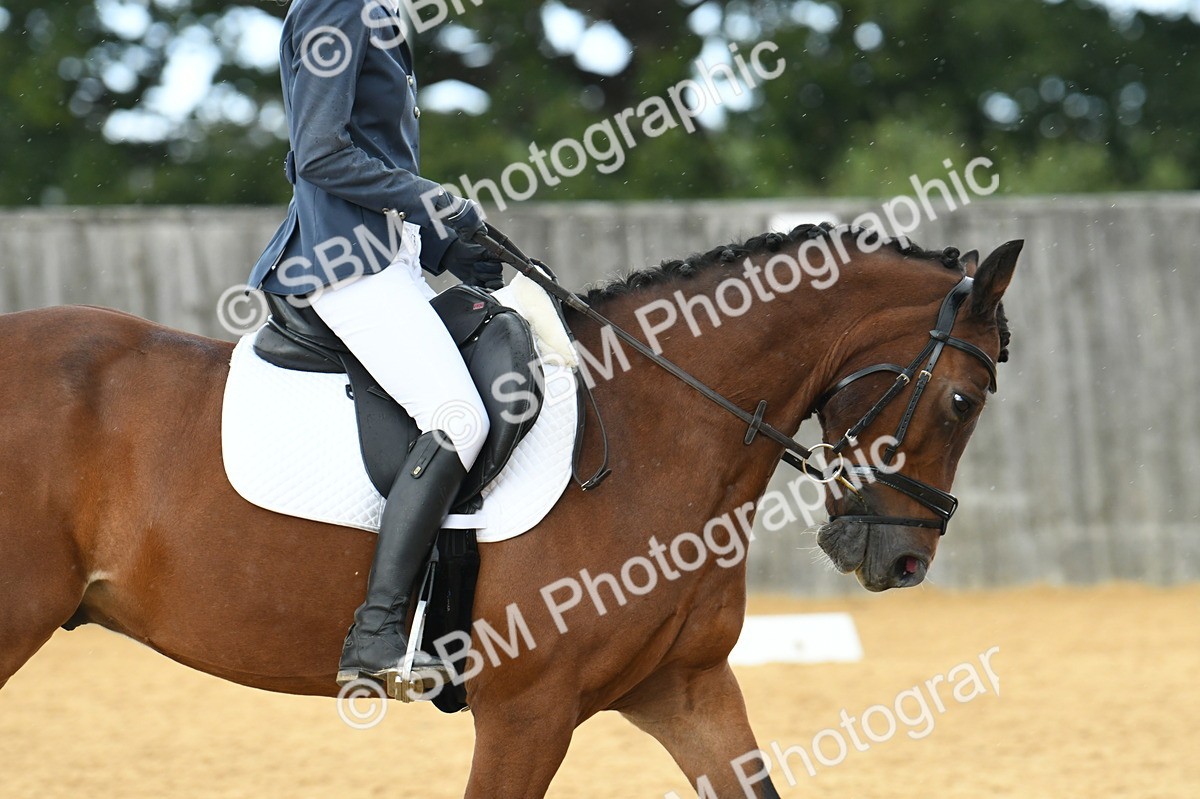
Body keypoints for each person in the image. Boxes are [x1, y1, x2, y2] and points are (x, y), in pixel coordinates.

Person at [247, 0, 508, 692]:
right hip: (345, 266)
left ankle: (446, 624)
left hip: (389, 260)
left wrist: (454, 242)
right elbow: (318, 154)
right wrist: (437, 198)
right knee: (459, 416)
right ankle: (378, 629)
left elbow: (378, 159)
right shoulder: (341, 5)